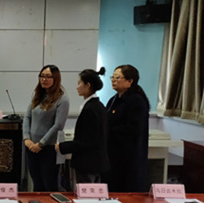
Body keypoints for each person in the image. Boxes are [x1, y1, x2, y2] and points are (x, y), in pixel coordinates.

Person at [56, 68, 109, 183]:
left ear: (88, 85)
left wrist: (62, 147)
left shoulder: (90, 109)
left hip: (88, 163)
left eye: (79, 83)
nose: (77, 87)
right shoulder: (99, 106)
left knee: (87, 192)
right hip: (95, 162)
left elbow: (87, 141)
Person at [23, 65, 70, 191]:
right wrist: (26, 139)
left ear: (56, 78)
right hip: (31, 147)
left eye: (48, 76)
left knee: (49, 185)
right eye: (42, 76)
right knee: (36, 183)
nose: (44, 79)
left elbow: (58, 125)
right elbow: (27, 117)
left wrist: (41, 144)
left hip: (48, 149)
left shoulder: (62, 99)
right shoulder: (38, 95)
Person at [105, 64, 150, 192]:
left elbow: (133, 129)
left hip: (127, 156)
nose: (113, 80)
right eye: (112, 77)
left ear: (130, 81)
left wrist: (109, 131)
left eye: (117, 77)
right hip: (112, 154)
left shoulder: (137, 101)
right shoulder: (113, 100)